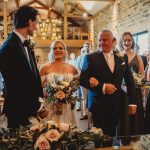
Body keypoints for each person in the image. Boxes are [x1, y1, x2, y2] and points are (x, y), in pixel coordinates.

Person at [80, 30, 137, 136]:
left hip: (116, 105)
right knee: (98, 137)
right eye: (99, 40)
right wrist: (102, 86)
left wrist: (132, 102)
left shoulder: (122, 57)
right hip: (98, 105)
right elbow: (82, 80)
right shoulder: (90, 58)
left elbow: (130, 81)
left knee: (111, 136)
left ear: (113, 41)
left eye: (105, 40)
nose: (101, 42)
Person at [0, 6, 49, 128]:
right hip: (18, 110)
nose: (37, 27)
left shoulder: (26, 43)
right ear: (29, 22)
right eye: (36, 22)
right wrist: (37, 107)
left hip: (30, 109)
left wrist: (40, 103)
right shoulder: (9, 47)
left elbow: (31, 77)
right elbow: (14, 85)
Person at [40, 40, 78, 125]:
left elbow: (75, 87)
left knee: (66, 130)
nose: (58, 50)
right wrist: (53, 98)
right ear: (51, 51)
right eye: (55, 48)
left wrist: (67, 96)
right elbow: (39, 88)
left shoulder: (72, 68)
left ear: (65, 51)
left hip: (67, 106)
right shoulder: (45, 68)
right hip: (50, 105)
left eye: (61, 48)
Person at [119, 31, 145, 135]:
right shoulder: (118, 56)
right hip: (122, 91)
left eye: (129, 40)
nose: (126, 42)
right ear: (121, 42)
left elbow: (142, 74)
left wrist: (136, 80)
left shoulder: (137, 56)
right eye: (124, 40)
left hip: (134, 90)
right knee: (123, 115)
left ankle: (135, 137)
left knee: (135, 116)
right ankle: (124, 138)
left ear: (132, 41)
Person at [76, 41, 93, 120]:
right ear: (83, 47)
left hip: (92, 80)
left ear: (91, 47)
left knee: (92, 96)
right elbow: (78, 68)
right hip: (83, 80)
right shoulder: (80, 57)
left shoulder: (94, 56)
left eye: (88, 46)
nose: (87, 47)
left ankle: (92, 113)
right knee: (84, 97)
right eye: (86, 46)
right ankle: (84, 114)